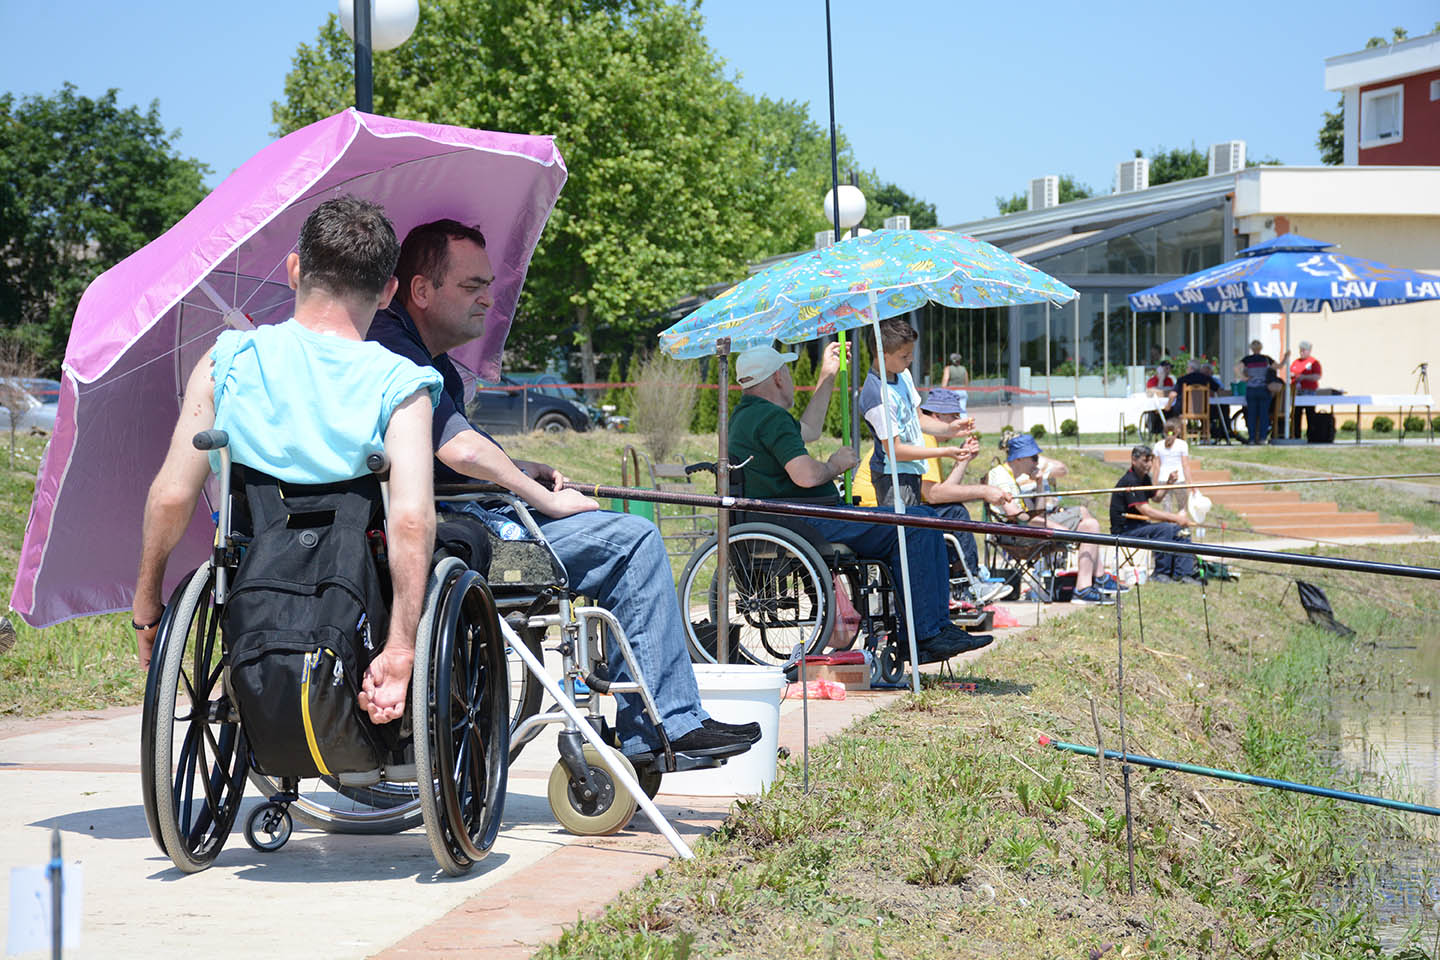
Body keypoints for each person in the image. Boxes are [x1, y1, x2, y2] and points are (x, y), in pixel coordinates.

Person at [367, 218, 754, 764]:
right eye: (472, 286)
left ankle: (659, 724)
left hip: (462, 521)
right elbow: (461, 452)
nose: (487, 299)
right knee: (633, 541)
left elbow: (447, 450)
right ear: (422, 291)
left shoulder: (430, 360)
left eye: (489, 285)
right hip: (445, 542)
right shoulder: (395, 350)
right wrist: (543, 497)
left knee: (625, 534)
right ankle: (666, 726)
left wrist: (521, 465)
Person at [133, 196, 442, 724]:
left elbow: (172, 494)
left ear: (295, 269)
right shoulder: (403, 382)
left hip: (254, 569)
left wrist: (147, 607)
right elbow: (411, 519)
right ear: (390, 292)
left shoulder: (227, 361)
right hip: (360, 582)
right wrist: (401, 648)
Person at [728, 342, 990, 662]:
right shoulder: (771, 418)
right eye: (787, 371)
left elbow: (808, 430)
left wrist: (827, 376)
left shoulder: (748, 416)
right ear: (779, 377)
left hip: (787, 519)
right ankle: (926, 633)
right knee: (918, 525)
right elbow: (806, 476)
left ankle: (932, 628)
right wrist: (835, 465)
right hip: (807, 520)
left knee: (921, 519)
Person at [984, 435, 1117, 604]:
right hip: (1015, 534)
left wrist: (1039, 482)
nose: (1036, 462)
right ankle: (1093, 582)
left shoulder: (1013, 476)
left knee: (1090, 525)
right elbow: (1016, 515)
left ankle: (1088, 585)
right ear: (1020, 458)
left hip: (1023, 529)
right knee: (1086, 517)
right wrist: (1057, 528)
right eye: (1034, 458)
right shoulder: (1001, 476)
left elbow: (1035, 513)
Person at [859, 317, 971, 507]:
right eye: (905, 356)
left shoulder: (903, 374)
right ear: (883, 354)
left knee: (912, 532)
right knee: (903, 534)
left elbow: (919, 418)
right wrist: (944, 452)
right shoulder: (877, 394)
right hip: (892, 477)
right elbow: (895, 451)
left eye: (911, 353)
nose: (911, 360)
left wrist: (949, 428)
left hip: (911, 470)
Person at [1109, 444, 1197, 583]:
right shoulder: (1130, 480)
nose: (1149, 465)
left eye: (1151, 461)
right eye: (1145, 460)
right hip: (1125, 530)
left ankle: (1183, 574)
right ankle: (1161, 573)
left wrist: (1168, 483)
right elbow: (1146, 511)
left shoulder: (1144, 478)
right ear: (1134, 460)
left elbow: (1156, 498)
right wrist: (1175, 517)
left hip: (1141, 525)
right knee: (1165, 528)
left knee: (1180, 529)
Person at [1237, 340, 1279, 444]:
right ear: (1261, 348)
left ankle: (1251, 438)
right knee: (1263, 414)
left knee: (1251, 415)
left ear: (1251, 348)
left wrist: (1244, 378)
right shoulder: (1266, 359)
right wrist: (1286, 358)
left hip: (1251, 389)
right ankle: (1262, 438)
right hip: (1263, 389)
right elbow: (1278, 367)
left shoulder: (1247, 359)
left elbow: (1236, 368)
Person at [1153, 417, 1192, 515]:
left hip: (1163, 479)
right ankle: (1184, 529)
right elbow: (1185, 465)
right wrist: (1191, 484)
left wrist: (1154, 484)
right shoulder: (1182, 444)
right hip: (1179, 479)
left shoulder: (1158, 445)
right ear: (1178, 431)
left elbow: (1156, 467)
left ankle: (1167, 528)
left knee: (1167, 508)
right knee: (1182, 507)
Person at [1290, 340, 1323, 437]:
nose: (1302, 352)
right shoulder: (1296, 362)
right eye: (1301, 350)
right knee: (1296, 414)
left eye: (1304, 350)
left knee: (1310, 414)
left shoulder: (1314, 362)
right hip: (1297, 391)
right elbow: (1291, 373)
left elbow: (1317, 376)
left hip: (1309, 391)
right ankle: (1296, 435)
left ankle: (1311, 435)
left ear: (1309, 351)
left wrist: (1304, 377)